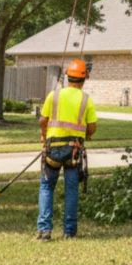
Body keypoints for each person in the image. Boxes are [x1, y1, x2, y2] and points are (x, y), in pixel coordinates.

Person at [36, 59, 97, 241]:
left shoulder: (53, 95)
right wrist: (87, 135)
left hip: (53, 150)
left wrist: (43, 135)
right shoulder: (86, 99)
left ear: (67, 76)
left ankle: (44, 230)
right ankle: (69, 232)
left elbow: (43, 120)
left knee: (47, 186)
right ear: (84, 78)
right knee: (71, 190)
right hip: (74, 152)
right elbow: (92, 127)